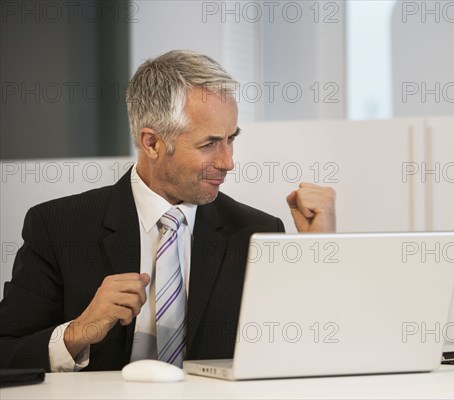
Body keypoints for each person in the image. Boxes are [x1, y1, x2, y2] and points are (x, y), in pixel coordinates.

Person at [0, 50, 336, 372]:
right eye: (209, 144)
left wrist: (317, 255)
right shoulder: (58, 227)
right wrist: (78, 332)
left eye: (231, 139)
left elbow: (299, 354)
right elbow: (7, 352)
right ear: (152, 143)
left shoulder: (257, 233)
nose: (228, 162)